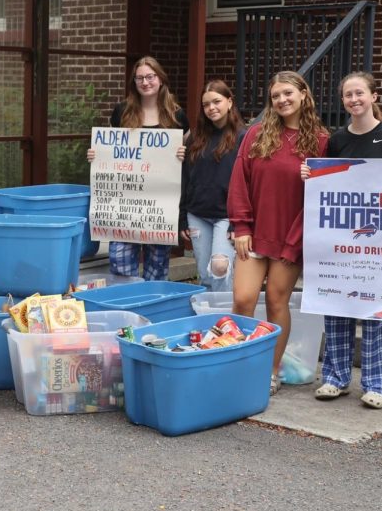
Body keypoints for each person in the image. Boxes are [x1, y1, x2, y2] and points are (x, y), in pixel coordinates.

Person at [305, 73, 382, 409]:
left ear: (373, 96)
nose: (354, 99)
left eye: (359, 93)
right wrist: (312, 175)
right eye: (348, 95)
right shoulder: (336, 140)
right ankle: (335, 378)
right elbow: (329, 182)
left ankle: (378, 383)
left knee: (379, 307)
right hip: (342, 237)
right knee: (336, 305)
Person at [229, 70, 328, 395]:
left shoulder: (321, 140)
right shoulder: (256, 134)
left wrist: (296, 241)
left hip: (292, 236)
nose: (283, 100)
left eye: (288, 93)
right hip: (255, 234)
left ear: (303, 95)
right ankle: (237, 363)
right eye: (276, 96)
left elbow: (325, 194)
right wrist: (240, 226)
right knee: (243, 299)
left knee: (276, 301)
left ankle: (271, 370)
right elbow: (239, 182)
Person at [86, 56, 188, 280]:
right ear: (134, 82)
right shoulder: (122, 111)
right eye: (140, 78)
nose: (145, 82)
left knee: (157, 268)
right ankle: (125, 309)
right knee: (119, 262)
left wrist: (184, 154)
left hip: (159, 208)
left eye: (150, 76)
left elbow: (189, 158)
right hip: (124, 206)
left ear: (160, 79)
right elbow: (109, 148)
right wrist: (96, 154)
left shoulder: (177, 115)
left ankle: (153, 310)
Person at [180, 80, 243, 292]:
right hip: (197, 213)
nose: (211, 108)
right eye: (206, 104)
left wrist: (239, 222)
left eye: (217, 101)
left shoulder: (244, 137)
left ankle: (226, 319)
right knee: (205, 275)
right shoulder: (195, 137)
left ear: (229, 101)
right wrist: (182, 217)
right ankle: (211, 320)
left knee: (219, 266)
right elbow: (185, 177)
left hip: (227, 215)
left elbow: (248, 182)